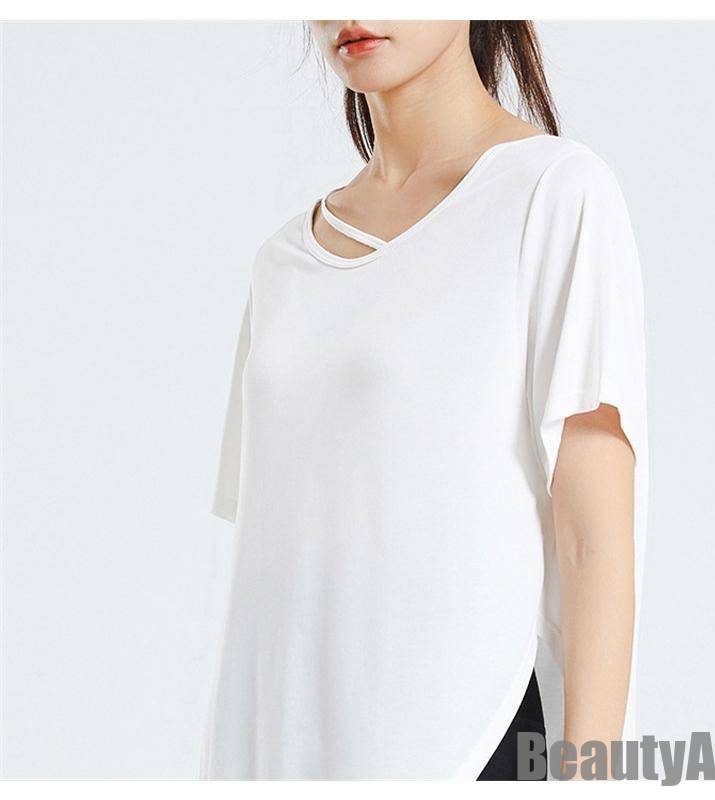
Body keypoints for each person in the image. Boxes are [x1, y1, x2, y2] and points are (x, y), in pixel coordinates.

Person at [201, 20, 648, 780]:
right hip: (281, 750)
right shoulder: (282, 261)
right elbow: (276, 563)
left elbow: (593, 541)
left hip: (467, 743)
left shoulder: (553, 193)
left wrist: (591, 777)